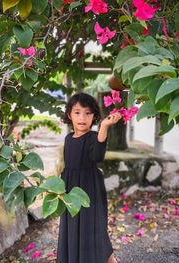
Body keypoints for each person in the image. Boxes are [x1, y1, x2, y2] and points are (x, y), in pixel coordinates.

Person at [57, 92, 122, 263]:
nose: (82, 118)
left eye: (88, 113)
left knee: (94, 228)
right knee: (73, 227)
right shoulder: (68, 138)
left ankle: (110, 260)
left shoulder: (94, 137)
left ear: (94, 116)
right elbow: (67, 167)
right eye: (77, 112)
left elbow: (97, 156)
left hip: (90, 189)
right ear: (69, 114)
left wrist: (104, 127)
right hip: (70, 189)